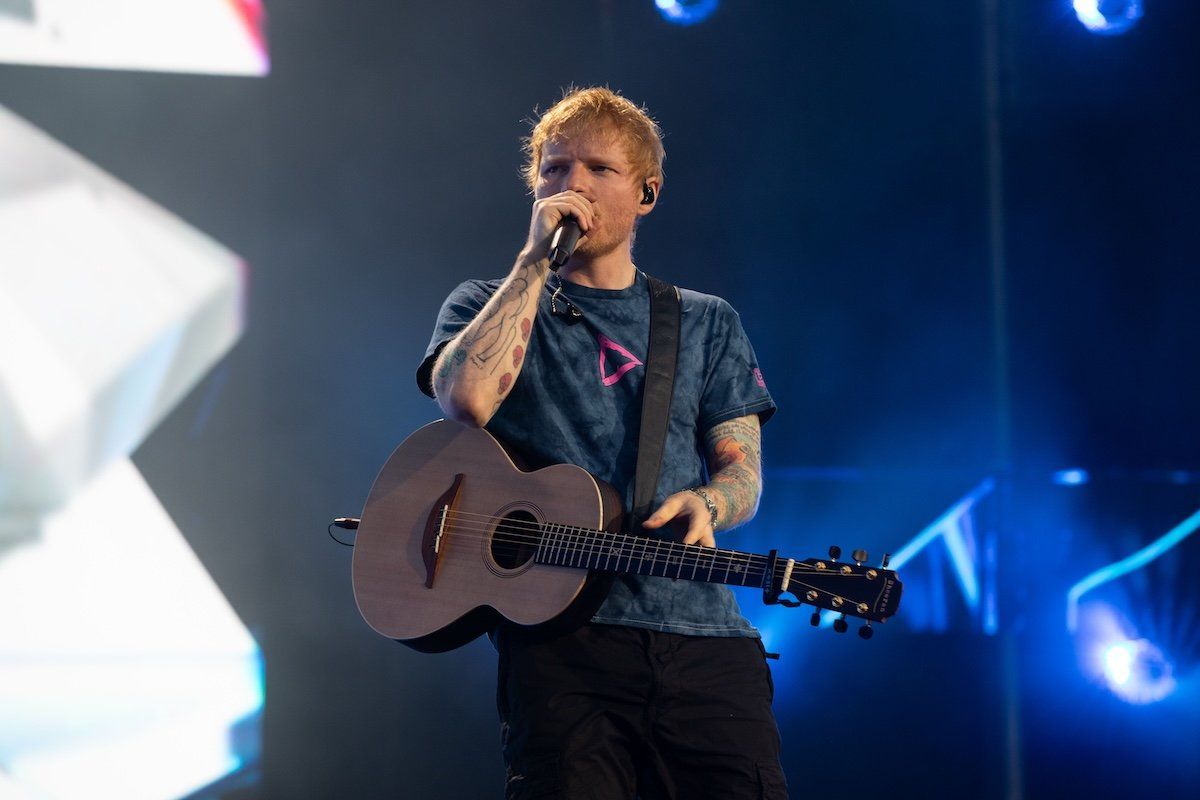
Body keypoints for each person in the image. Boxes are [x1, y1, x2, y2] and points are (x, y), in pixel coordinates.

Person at [416, 87, 786, 800]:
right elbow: (466, 400)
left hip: (703, 640)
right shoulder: (480, 303)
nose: (573, 185)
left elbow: (742, 475)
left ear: (647, 192)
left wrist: (711, 503)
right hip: (559, 645)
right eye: (554, 169)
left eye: (598, 169)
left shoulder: (705, 322)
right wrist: (533, 261)